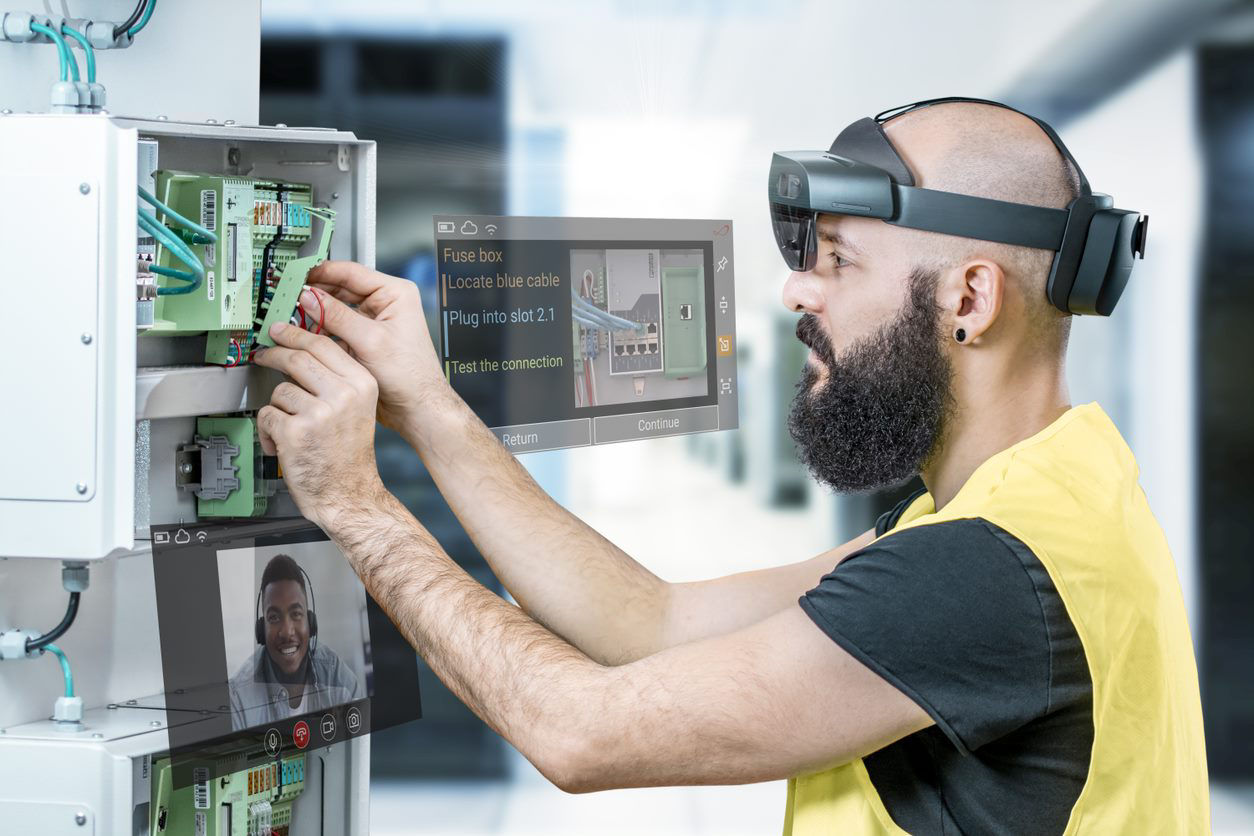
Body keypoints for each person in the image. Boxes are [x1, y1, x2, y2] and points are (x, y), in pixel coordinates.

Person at [251, 100, 1209, 833]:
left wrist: (358, 508)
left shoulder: (984, 573)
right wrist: (426, 404)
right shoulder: (1039, 507)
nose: (797, 288)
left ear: (969, 297)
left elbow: (578, 732)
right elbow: (649, 622)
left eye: (839, 259)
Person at [228, 554, 361, 729]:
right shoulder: (239, 698)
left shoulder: (337, 678)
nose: (287, 631)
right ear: (261, 629)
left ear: (310, 622)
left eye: (296, 614)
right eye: (274, 617)